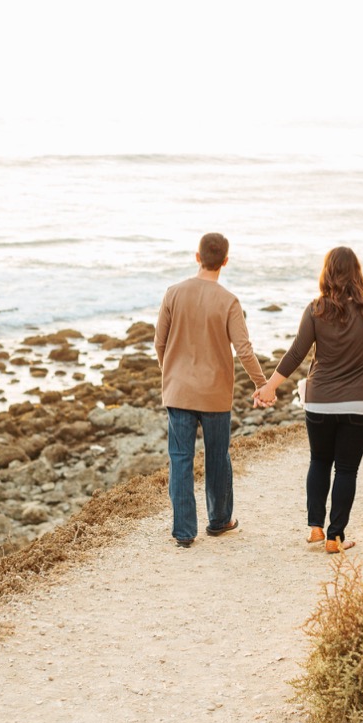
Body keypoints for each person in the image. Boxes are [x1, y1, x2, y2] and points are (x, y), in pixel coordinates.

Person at [253, 246, 363, 553]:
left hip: (319, 402)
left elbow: (296, 354)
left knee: (319, 460)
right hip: (361, 404)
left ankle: (315, 528)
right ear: (358, 272)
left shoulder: (316, 309)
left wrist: (269, 387)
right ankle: (334, 537)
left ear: (327, 272)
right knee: (346, 469)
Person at [153, 232, 267, 547]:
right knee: (217, 457)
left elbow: (159, 342)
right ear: (226, 261)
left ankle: (184, 532)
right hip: (216, 394)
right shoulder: (228, 301)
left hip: (178, 393)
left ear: (197, 257)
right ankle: (219, 521)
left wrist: (171, 372)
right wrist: (261, 383)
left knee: (180, 459)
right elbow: (244, 350)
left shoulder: (173, 293)